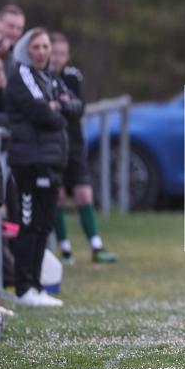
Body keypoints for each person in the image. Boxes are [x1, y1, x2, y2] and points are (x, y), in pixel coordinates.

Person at [6, 28, 76, 308]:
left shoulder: (52, 78)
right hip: (30, 163)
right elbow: (42, 114)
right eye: (36, 46)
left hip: (52, 162)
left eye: (46, 46)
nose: (42, 52)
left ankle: (36, 285)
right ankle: (24, 288)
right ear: (26, 49)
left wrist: (58, 107)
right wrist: (57, 110)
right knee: (29, 225)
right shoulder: (21, 75)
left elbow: (77, 107)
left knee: (44, 225)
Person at [48, 32, 117, 264]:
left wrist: (61, 106)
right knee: (57, 196)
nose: (58, 58)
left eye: (62, 54)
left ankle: (96, 245)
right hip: (51, 147)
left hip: (74, 145)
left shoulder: (73, 76)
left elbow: (79, 107)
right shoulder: (39, 77)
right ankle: (65, 248)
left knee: (84, 194)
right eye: (54, 53)